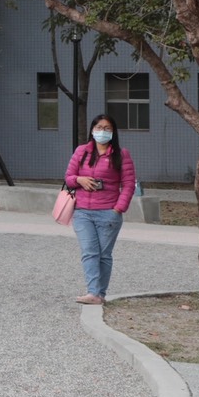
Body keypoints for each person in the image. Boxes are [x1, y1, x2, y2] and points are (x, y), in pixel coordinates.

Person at [64, 114, 136, 306]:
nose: (102, 131)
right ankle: (93, 292)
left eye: (107, 128)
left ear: (113, 132)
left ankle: (99, 294)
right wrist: (79, 179)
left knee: (103, 255)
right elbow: (68, 178)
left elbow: (129, 184)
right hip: (82, 212)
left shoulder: (121, 155)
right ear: (92, 130)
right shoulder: (82, 151)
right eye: (99, 127)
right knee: (89, 252)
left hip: (108, 213)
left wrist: (118, 209)